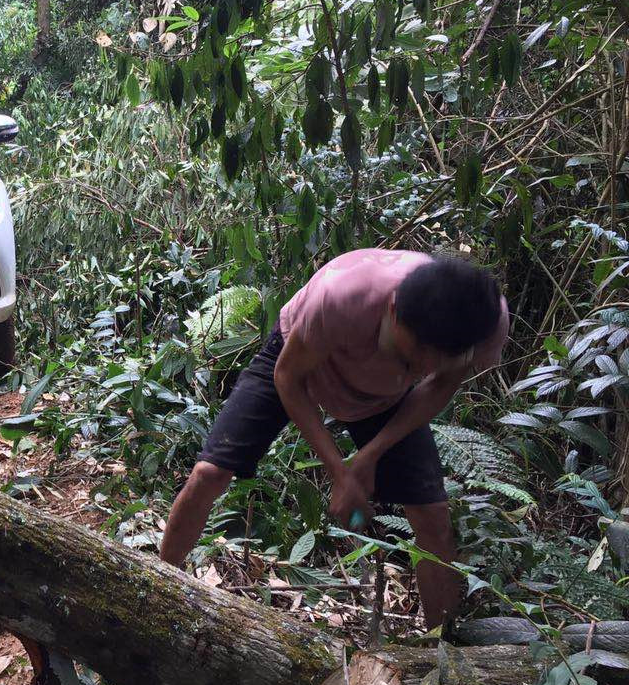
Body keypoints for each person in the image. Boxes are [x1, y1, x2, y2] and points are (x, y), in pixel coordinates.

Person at [159, 249, 509, 630]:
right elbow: (288, 378)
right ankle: (156, 591)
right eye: (409, 359)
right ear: (393, 310)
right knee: (209, 473)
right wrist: (340, 473)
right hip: (301, 362)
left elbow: (440, 388)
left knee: (432, 518)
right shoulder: (341, 295)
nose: (418, 372)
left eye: (430, 365)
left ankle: (443, 648)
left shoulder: (483, 321)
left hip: (386, 401)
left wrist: (370, 456)